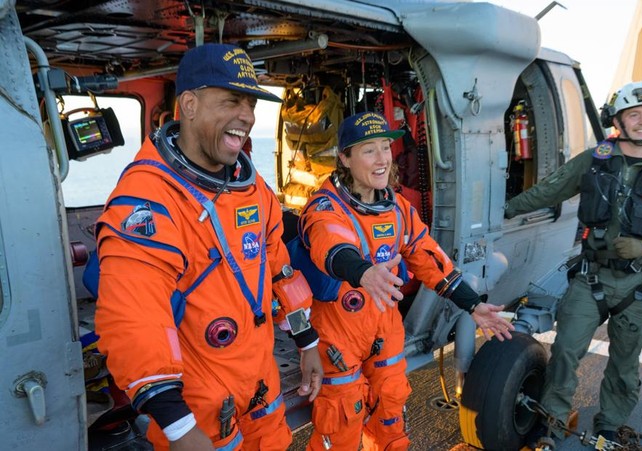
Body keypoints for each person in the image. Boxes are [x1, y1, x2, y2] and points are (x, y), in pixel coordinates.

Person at [94, 43, 323, 450]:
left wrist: (307, 343)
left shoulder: (254, 191)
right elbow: (134, 319)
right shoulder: (147, 199)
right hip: (196, 402)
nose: (247, 116)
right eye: (231, 101)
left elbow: (280, 271)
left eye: (251, 104)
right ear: (190, 105)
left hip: (260, 380)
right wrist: (180, 429)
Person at [292, 111, 515, 450]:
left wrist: (473, 305)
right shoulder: (324, 208)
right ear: (345, 158)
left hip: (385, 330)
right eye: (369, 150)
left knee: (391, 413)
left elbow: (428, 257)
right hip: (339, 334)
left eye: (385, 147)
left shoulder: (397, 209)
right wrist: (364, 272)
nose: (382, 159)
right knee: (342, 422)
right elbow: (332, 245)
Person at [505, 81, 642, 442]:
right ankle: (554, 420)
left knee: (624, 365)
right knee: (564, 352)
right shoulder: (596, 160)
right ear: (618, 120)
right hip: (591, 278)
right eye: (634, 114)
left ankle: (610, 422)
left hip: (637, 284)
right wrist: (504, 211)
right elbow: (550, 190)